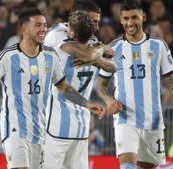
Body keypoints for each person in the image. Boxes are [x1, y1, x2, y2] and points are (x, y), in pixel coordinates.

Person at [0, 8, 105, 169]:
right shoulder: (7, 56)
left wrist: (87, 104)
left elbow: (64, 87)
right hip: (14, 129)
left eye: (45, 25)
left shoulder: (50, 56)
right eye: (38, 25)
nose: (44, 29)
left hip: (40, 133)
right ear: (24, 29)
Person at [95, 1, 173, 169]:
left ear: (143, 17)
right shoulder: (113, 49)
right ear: (121, 20)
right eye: (126, 18)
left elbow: (171, 81)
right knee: (128, 165)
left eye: (134, 17)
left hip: (153, 121)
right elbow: (100, 85)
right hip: (125, 119)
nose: (130, 22)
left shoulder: (158, 46)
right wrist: (109, 100)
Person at [43, 10, 117, 169]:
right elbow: (112, 64)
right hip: (81, 126)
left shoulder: (60, 45)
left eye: (68, 26)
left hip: (56, 125)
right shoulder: (94, 47)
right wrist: (97, 54)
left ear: (73, 33)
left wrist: (94, 55)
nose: (66, 27)